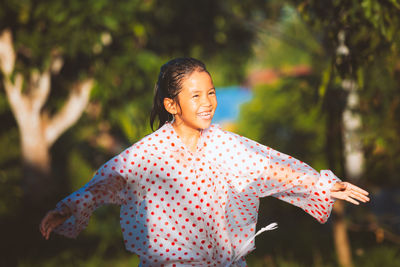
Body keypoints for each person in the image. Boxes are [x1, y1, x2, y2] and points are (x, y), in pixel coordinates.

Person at [40, 57, 369, 266]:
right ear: (172, 104)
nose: (208, 103)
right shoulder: (150, 152)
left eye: (210, 93)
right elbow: (112, 181)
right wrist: (70, 206)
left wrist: (323, 184)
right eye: (195, 96)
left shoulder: (224, 144)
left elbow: (270, 169)